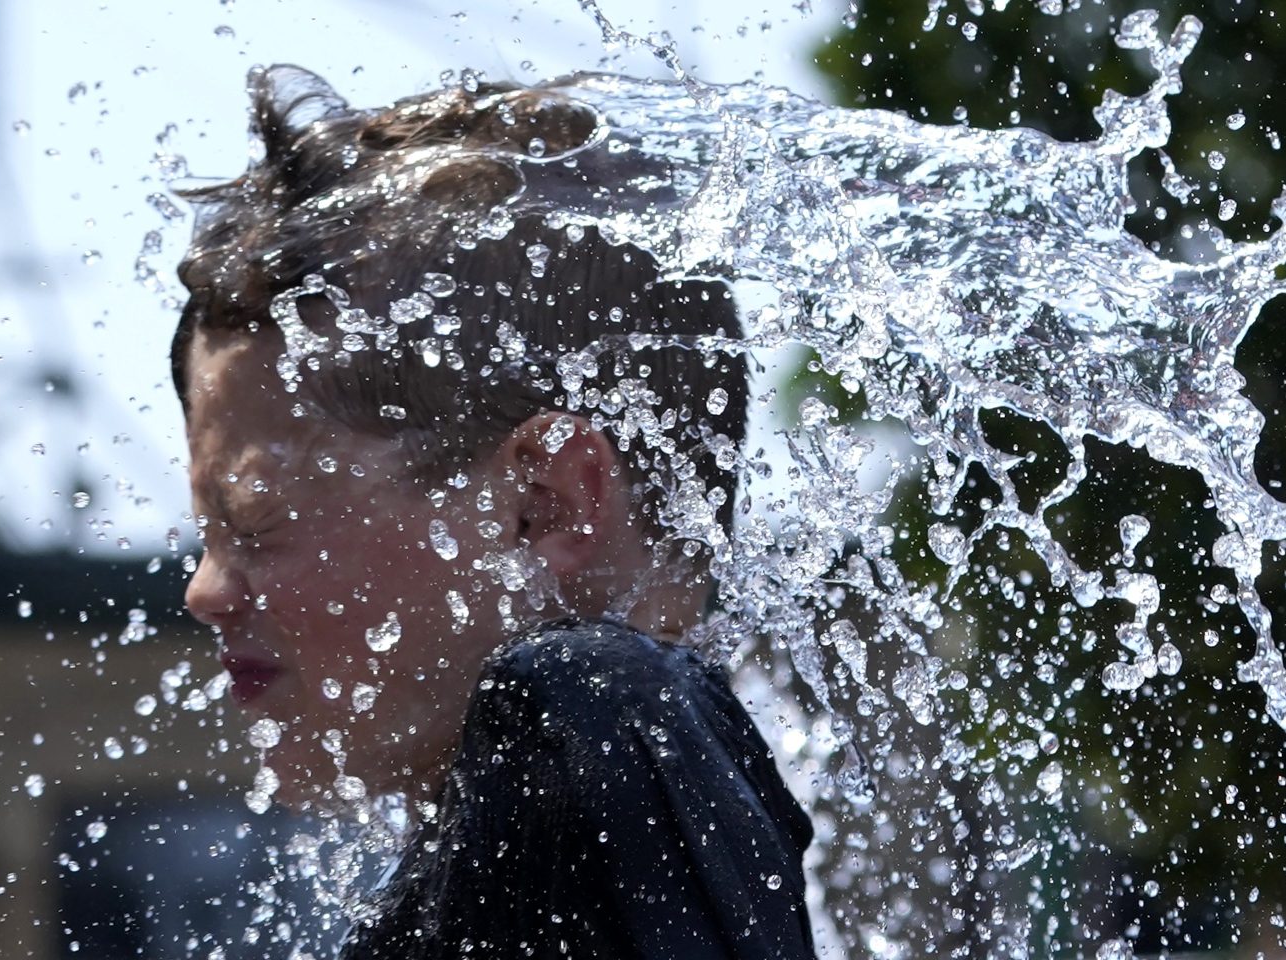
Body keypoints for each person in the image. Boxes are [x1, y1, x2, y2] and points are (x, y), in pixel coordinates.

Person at [172, 64, 817, 958]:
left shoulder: (595, 713)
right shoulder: (656, 819)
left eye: (257, 527)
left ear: (543, 504)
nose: (205, 591)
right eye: (207, 537)